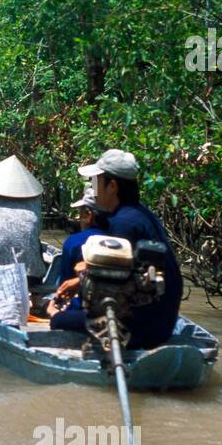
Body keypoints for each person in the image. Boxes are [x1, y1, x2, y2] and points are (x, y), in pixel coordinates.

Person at [48, 149, 183, 350]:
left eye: (95, 183)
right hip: (163, 325)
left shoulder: (122, 224)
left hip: (139, 330)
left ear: (112, 186)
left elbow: (114, 285)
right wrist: (78, 282)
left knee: (58, 319)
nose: (93, 190)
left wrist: (58, 313)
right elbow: (127, 272)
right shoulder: (141, 214)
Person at [0, 155, 48, 280]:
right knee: (36, 242)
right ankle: (35, 285)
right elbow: (37, 231)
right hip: (30, 273)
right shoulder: (35, 203)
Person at [45, 183, 109, 319]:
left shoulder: (73, 242)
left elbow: (65, 285)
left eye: (80, 213)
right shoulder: (120, 238)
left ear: (88, 215)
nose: (79, 218)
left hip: (84, 312)